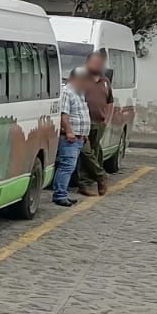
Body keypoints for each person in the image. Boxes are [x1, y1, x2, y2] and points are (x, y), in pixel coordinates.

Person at [75, 49, 114, 197]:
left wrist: (107, 119)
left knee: (94, 151)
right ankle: (100, 175)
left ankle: (86, 184)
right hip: (82, 122)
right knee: (85, 152)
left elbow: (110, 101)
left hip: (99, 123)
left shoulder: (105, 81)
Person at [53, 67, 91, 207]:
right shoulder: (67, 92)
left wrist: (84, 134)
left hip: (79, 137)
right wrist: (69, 131)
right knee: (66, 165)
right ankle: (60, 194)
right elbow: (64, 114)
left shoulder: (79, 93)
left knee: (70, 166)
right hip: (70, 137)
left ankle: (63, 192)